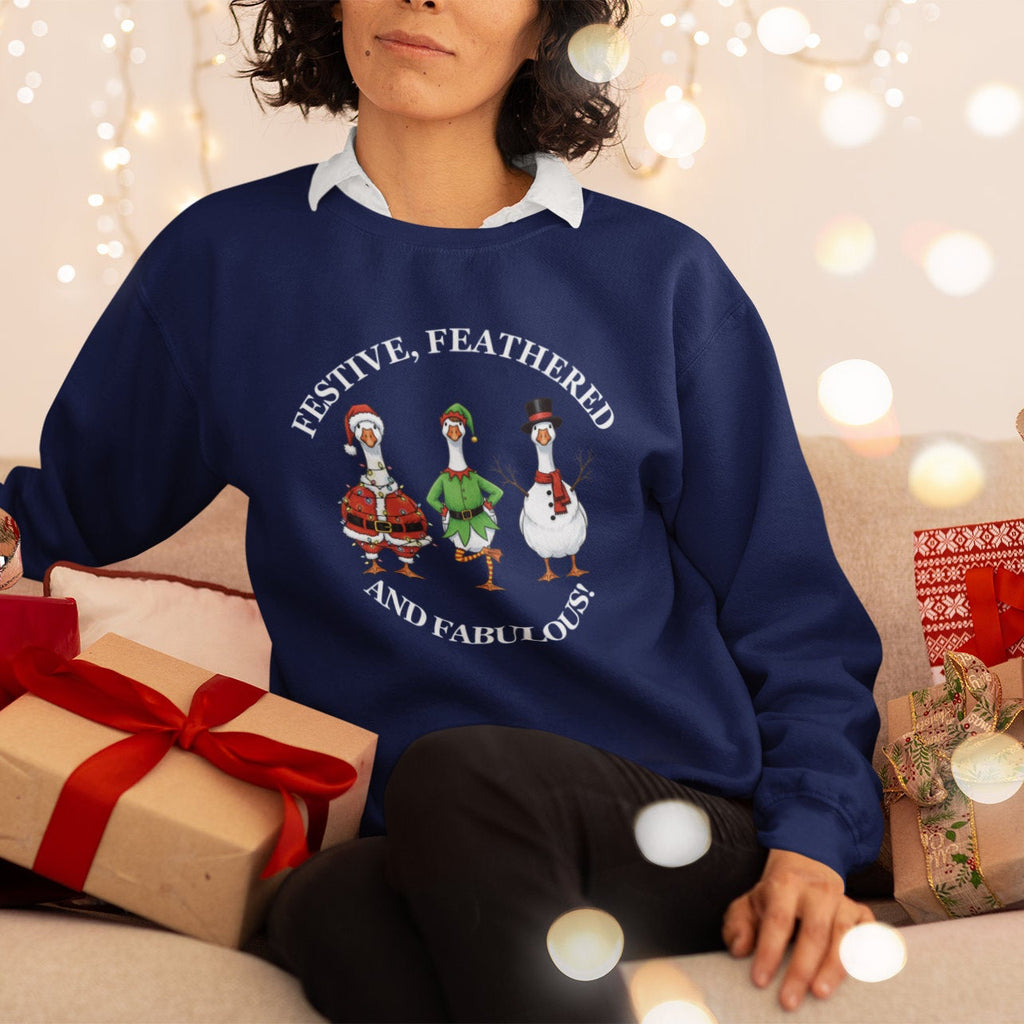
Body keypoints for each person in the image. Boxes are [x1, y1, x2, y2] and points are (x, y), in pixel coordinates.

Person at [0, 0, 886, 1019]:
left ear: (545, 25)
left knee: (459, 774)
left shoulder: (661, 280)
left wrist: (811, 840)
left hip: (669, 817)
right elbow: (57, 511)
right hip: (412, 838)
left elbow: (796, 615)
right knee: (328, 903)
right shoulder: (227, 263)